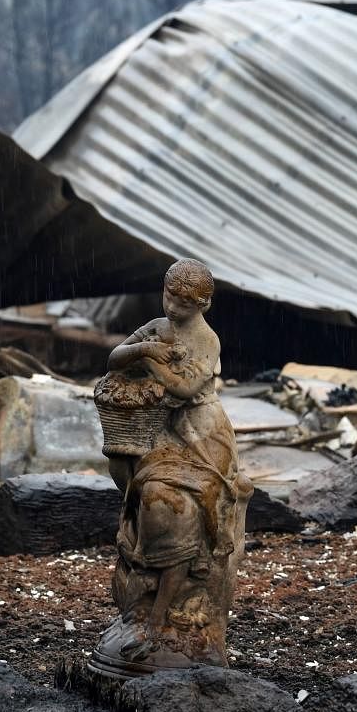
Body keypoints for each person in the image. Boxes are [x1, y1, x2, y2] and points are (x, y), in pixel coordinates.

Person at [102, 259, 248, 663]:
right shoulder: (157, 328)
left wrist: (147, 361)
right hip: (163, 428)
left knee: (169, 499)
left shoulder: (207, 340)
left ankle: (165, 616)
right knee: (135, 484)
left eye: (184, 303)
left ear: (203, 304)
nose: (173, 308)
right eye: (169, 296)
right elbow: (115, 357)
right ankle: (141, 600)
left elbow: (184, 390)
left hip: (202, 433)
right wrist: (148, 347)